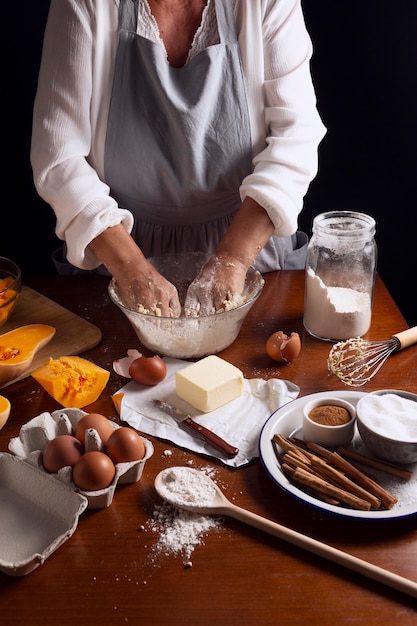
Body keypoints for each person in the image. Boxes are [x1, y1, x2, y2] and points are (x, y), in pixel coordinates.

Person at [31, 0, 326, 317]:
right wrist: (132, 268)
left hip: (250, 248)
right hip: (116, 251)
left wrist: (234, 260)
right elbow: (59, 158)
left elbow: (295, 137)